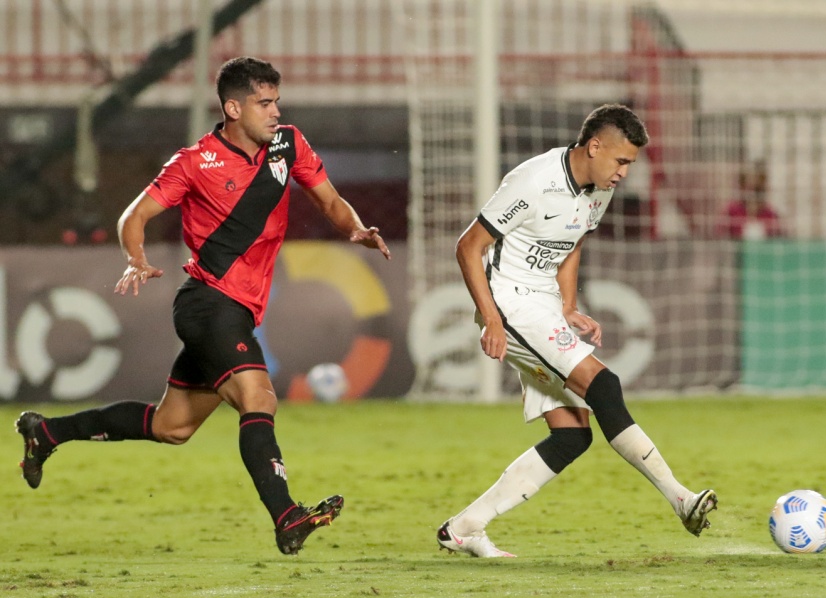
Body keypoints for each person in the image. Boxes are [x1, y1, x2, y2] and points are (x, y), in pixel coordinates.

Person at [15, 56, 391, 555]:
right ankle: (287, 516)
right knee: (259, 397)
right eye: (265, 103)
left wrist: (355, 229)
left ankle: (47, 433)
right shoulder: (195, 162)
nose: (276, 112)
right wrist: (136, 258)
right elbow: (136, 214)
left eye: (277, 101)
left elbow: (328, 199)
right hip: (208, 303)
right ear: (233, 108)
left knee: (173, 427)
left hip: (235, 310)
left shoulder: (289, 143)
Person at [437, 104, 717, 558]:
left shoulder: (598, 189)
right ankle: (680, 498)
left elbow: (574, 239)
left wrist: (567, 305)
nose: (624, 173)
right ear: (594, 146)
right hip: (511, 303)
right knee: (604, 385)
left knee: (572, 435)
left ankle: (465, 527)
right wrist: (491, 317)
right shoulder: (531, 181)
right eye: (621, 162)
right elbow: (468, 247)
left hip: (542, 304)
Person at [716, 160, 785, 240]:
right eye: (748, 188)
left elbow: (780, 238)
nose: (752, 193)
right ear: (742, 187)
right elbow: (719, 237)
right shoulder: (731, 211)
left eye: (757, 189)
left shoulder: (770, 214)